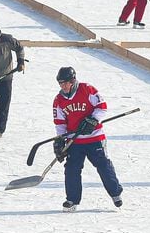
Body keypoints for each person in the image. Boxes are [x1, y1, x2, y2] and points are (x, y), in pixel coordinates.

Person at [52, 66, 124, 211]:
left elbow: (102, 107)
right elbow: (60, 123)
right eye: (60, 83)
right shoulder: (58, 100)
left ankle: (115, 193)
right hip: (75, 140)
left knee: (103, 165)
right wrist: (60, 140)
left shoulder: (87, 89)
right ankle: (72, 200)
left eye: (66, 83)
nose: (63, 86)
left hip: (95, 138)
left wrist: (92, 120)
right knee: (71, 169)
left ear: (73, 81)